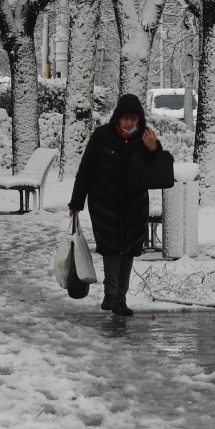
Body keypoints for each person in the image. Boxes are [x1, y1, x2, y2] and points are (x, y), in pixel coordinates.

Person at [69, 93, 168, 317]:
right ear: (117, 117)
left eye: (134, 119)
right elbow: (86, 169)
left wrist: (154, 149)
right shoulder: (102, 136)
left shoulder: (145, 138)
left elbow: (158, 174)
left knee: (129, 250)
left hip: (135, 205)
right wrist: (76, 202)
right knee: (111, 248)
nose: (129, 123)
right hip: (105, 204)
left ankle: (120, 299)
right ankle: (110, 295)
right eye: (125, 118)